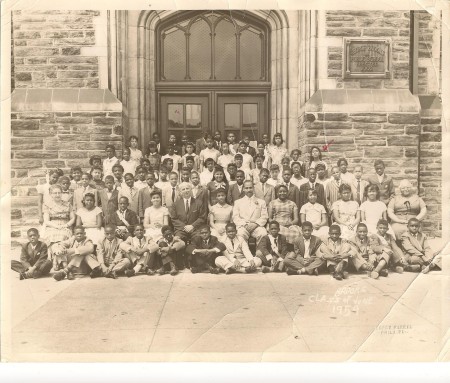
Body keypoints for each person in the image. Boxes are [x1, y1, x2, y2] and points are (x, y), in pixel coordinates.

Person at [42, 184, 75, 249]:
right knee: (50, 235)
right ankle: (54, 255)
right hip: (52, 226)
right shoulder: (47, 205)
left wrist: (66, 225)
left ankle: (61, 254)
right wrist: (56, 226)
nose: (57, 195)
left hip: (65, 225)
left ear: (62, 193)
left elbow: (73, 218)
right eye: (55, 193)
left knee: (64, 235)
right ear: (51, 194)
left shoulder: (68, 204)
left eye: (59, 193)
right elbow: (46, 220)